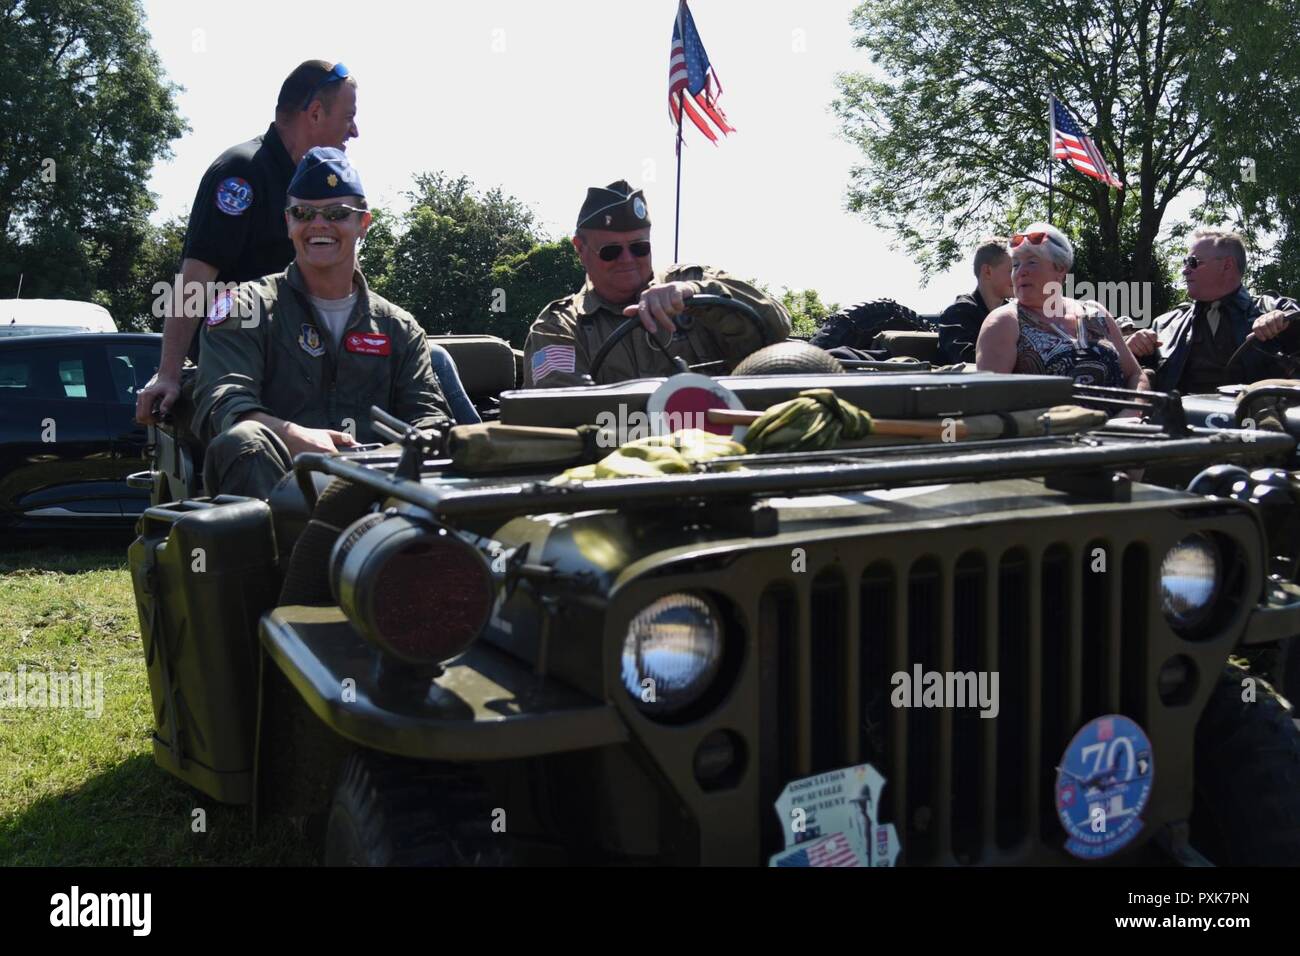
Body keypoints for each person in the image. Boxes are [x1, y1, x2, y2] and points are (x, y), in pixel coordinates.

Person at [192, 148, 450, 498]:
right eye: (303, 213)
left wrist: (386, 458)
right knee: (244, 438)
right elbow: (223, 402)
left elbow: (429, 418)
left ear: (363, 224)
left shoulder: (397, 327)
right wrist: (294, 436)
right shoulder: (246, 307)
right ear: (288, 223)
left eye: (336, 213)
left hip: (378, 495)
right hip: (279, 493)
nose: (318, 225)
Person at [135, 60, 360, 425]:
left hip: (308, 348)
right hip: (248, 354)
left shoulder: (316, 185)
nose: (355, 131)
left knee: (436, 363)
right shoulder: (243, 173)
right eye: (349, 116)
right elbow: (196, 277)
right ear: (316, 113)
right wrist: (170, 374)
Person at [523, 180, 792, 387]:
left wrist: (694, 296)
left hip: (725, 443)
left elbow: (777, 327)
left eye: (639, 247)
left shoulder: (695, 281)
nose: (627, 259)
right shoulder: (560, 326)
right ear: (580, 249)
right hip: (620, 453)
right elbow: (560, 410)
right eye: (611, 251)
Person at [976, 222, 1148, 392]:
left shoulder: (1095, 312)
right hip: (1050, 420)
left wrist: (1132, 413)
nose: (1021, 271)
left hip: (1124, 419)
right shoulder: (1004, 322)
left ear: (1060, 269)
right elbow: (989, 400)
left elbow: (1136, 375)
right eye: (1015, 264)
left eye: (1032, 262)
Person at [1125, 229, 1300, 393]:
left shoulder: (1271, 308)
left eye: (1193, 262)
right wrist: (1132, 349)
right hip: (1181, 419)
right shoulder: (1165, 324)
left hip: (1254, 417)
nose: (1185, 270)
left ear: (1227, 265)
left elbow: (1294, 321)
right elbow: (1134, 375)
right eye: (1185, 263)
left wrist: (1282, 320)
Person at [936, 238, 1014, 364]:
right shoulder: (958, 314)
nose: (1018, 276)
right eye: (1012, 270)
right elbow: (966, 360)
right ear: (987, 271)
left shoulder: (1015, 314)